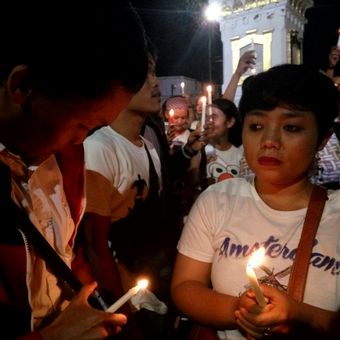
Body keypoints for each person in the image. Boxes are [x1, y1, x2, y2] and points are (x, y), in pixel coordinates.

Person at [0, 1, 149, 338]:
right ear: (22, 86)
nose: (82, 140)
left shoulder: (65, 157)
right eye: (84, 125)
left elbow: (62, 252)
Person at [171, 64, 340, 339]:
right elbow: (185, 285)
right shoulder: (218, 200)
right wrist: (239, 309)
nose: (269, 140)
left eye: (292, 127)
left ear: (323, 138)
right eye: (257, 125)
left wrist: (300, 315)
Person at [200, 98, 243, 188]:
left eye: (213, 117)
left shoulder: (241, 156)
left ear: (230, 122)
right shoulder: (200, 152)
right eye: (206, 117)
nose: (208, 122)